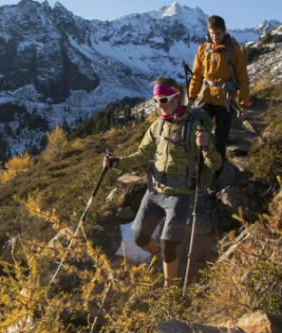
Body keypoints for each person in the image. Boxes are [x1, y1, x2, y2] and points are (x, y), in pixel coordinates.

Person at [104, 77, 221, 288]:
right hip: (155, 190)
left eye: (164, 99)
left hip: (181, 194)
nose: (160, 105)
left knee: (169, 245)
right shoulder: (157, 126)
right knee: (140, 238)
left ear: (178, 98)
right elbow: (141, 154)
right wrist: (116, 163)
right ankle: (156, 255)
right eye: (157, 100)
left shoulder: (193, 127)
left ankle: (171, 290)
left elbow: (215, 162)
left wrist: (206, 147)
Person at [188, 15, 250, 188]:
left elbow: (243, 80)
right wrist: (192, 98)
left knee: (220, 139)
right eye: (212, 33)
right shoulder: (203, 50)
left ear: (224, 31)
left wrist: (244, 104)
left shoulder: (234, 52)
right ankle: (198, 172)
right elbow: (197, 76)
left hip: (226, 99)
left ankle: (215, 178)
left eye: (218, 32)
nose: (215, 36)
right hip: (206, 96)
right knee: (197, 134)